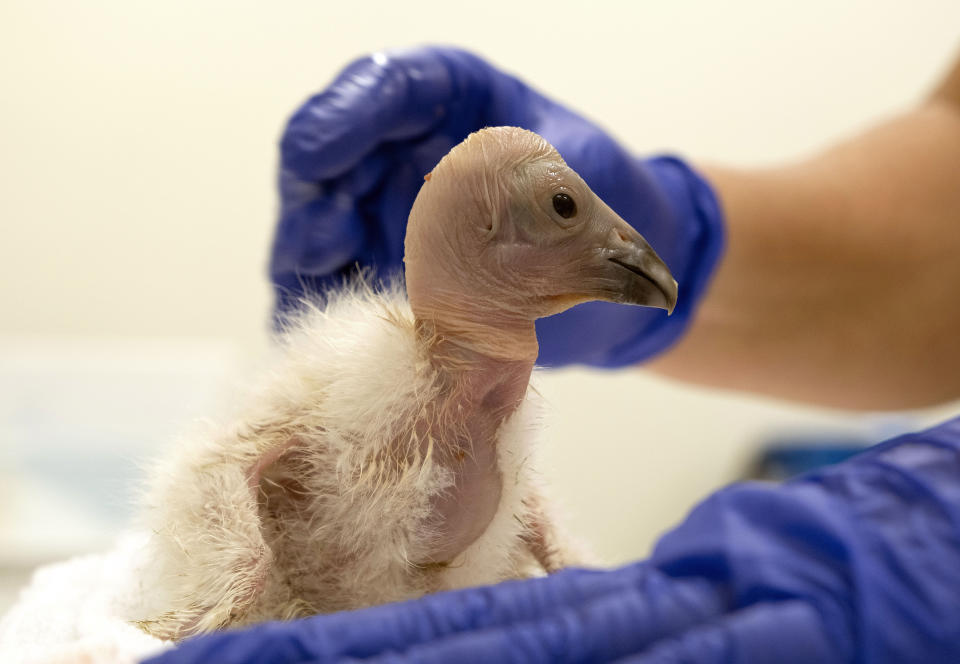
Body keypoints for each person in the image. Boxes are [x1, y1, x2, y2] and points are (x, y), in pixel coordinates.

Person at [146, 47, 960, 663]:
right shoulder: (369, 380)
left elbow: (514, 512)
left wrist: (574, 573)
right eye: (568, 208)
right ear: (486, 235)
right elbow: (235, 467)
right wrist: (220, 598)